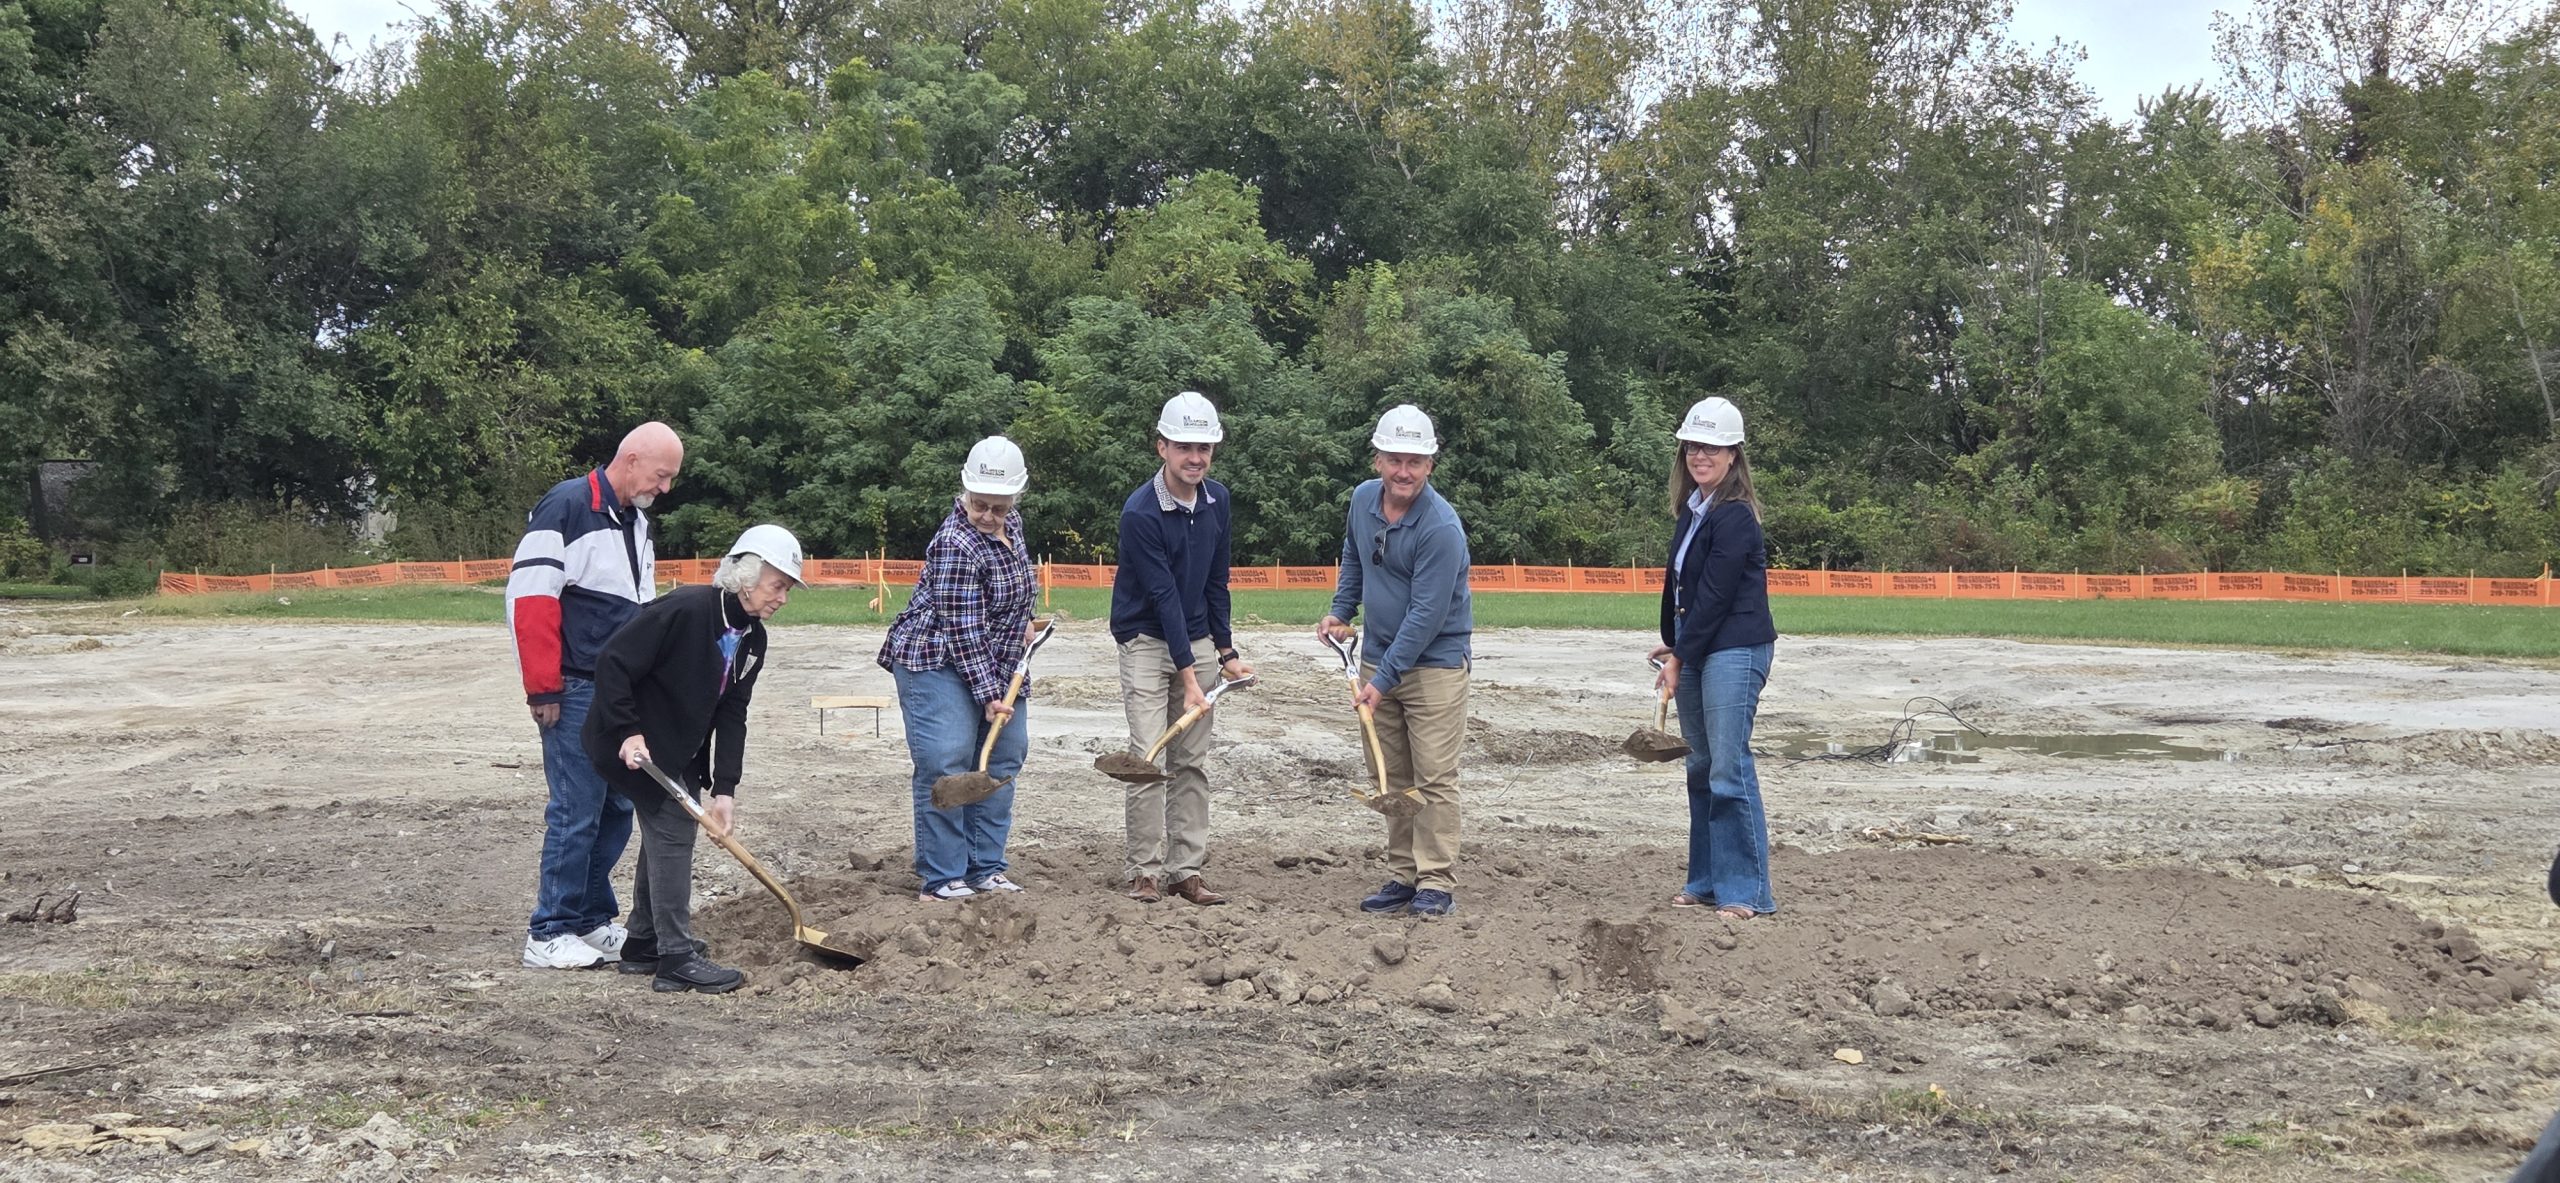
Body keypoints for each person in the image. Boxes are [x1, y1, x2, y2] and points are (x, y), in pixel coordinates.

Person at [584, 524, 802, 995]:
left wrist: (725, 790)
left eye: (787, 588)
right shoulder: (686, 609)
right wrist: (627, 730)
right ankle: (676, 959)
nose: (782, 598)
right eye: (777, 585)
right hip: (632, 742)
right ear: (746, 577)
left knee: (663, 835)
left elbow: (733, 713)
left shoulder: (752, 639)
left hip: (680, 747)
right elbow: (613, 661)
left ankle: (643, 942)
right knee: (674, 831)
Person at [506, 422, 683, 970]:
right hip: (575, 686)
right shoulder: (566, 507)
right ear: (631, 460)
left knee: (615, 808)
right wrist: (543, 685)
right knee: (576, 809)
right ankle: (549, 929)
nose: (665, 488)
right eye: (661, 475)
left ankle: (589, 917)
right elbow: (531, 598)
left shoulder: (637, 522)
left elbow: (639, 610)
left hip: (618, 692)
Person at [1318, 405, 1473, 919]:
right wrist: (1342, 611)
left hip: (1435, 667)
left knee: (1434, 777)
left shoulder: (1441, 528)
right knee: (1392, 776)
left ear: (1430, 464)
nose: (1403, 471)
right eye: (1394, 460)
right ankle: (1404, 875)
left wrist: (1382, 680)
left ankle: (1436, 881)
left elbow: (1427, 615)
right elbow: (1354, 555)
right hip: (1378, 660)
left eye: (1414, 461)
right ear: (1378, 459)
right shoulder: (1363, 500)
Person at [1110, 392, 1256, 905]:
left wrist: (1226, 653)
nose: (1195, 458)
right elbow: (1164, 596)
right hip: (1145, 640)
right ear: (1162, 448)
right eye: (1184, 447)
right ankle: (1145, 872)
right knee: (1148, 756)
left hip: (1196, 639)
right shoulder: (1141, 513)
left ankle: (1185, 871)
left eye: (1204, 448)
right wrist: (1191, 678)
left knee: (1191, 762)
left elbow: (1217, 582)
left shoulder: (1218, 501)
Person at [880, 437, 1040, 903]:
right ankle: (943, 876)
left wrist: (1025, 620)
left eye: (999, 507)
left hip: (1001, 658)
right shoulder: (954, 543)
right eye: (979, 505)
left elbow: (1014, 588)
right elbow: (963, 630)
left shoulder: (1012, 526)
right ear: (965, 492)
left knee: (1003, 756)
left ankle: (985, 867)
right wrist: (990, 695)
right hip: (935, 659)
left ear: (1015, 500)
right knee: (947, 763)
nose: (988, 515)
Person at [1650, 396, 1778, 921]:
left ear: (1732, 455)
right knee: (1700, 768)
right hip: (1701, 645)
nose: (1700, 456)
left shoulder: (1735, 517)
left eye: (1711, 448)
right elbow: (1687, 588)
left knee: (1728, 768)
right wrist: (1675, 642)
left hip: (1736, 649)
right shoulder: (1693, 511)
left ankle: (1747, 891)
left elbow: (1719, 595)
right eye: (1692, 447)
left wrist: (1681, 655)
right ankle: (1705, 882)